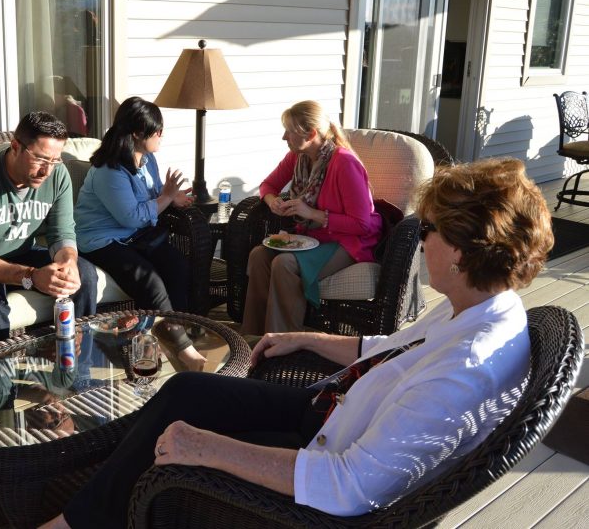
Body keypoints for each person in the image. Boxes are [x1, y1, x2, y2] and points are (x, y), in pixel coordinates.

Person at [39, 157, 552, 527]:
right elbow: (389, 348)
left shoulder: (467, 365)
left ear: (462, 251)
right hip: (333, 406)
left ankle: (78, 520)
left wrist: (208, 447)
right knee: (186, 391)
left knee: (183, 423)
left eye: (431, 231)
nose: (421, 241)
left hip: (323, 451)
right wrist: (302, 337)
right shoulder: (481, 308)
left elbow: (349, 487)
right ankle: (101, 480)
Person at [0, 111, 97, 344]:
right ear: (15, 146)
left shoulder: (58, 174)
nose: (47, 171)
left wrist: (68, 262)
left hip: (20, 253)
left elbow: (61, 233)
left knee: (84, 274)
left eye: (55, 160)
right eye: (41, 159)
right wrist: (31, 276)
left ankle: (76, 362)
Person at [74, 97, 206, 370]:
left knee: (178, 266)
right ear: (136, 133)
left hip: (134, 235)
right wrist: (166, 197)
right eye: (156, 130)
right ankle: (183, 350)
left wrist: (171, 196)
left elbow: (154, 193)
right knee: (150, 281)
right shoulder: (108, 170)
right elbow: (131, 215)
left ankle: (172, 337)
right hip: (101, 239)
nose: (161, 135)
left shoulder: (148, 159)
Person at [242, 100, 383, 335]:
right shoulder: (298, 157)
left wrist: (311, 213)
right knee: (259, 255)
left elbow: (362, 223)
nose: (284, 137)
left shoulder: (344, 163)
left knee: (284, 264)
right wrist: (272, 201)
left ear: (311, 133)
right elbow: (268, 185)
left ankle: (283, 341)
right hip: (311, 237)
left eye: (289, 131)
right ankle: (252, 338)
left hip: (347, 241)